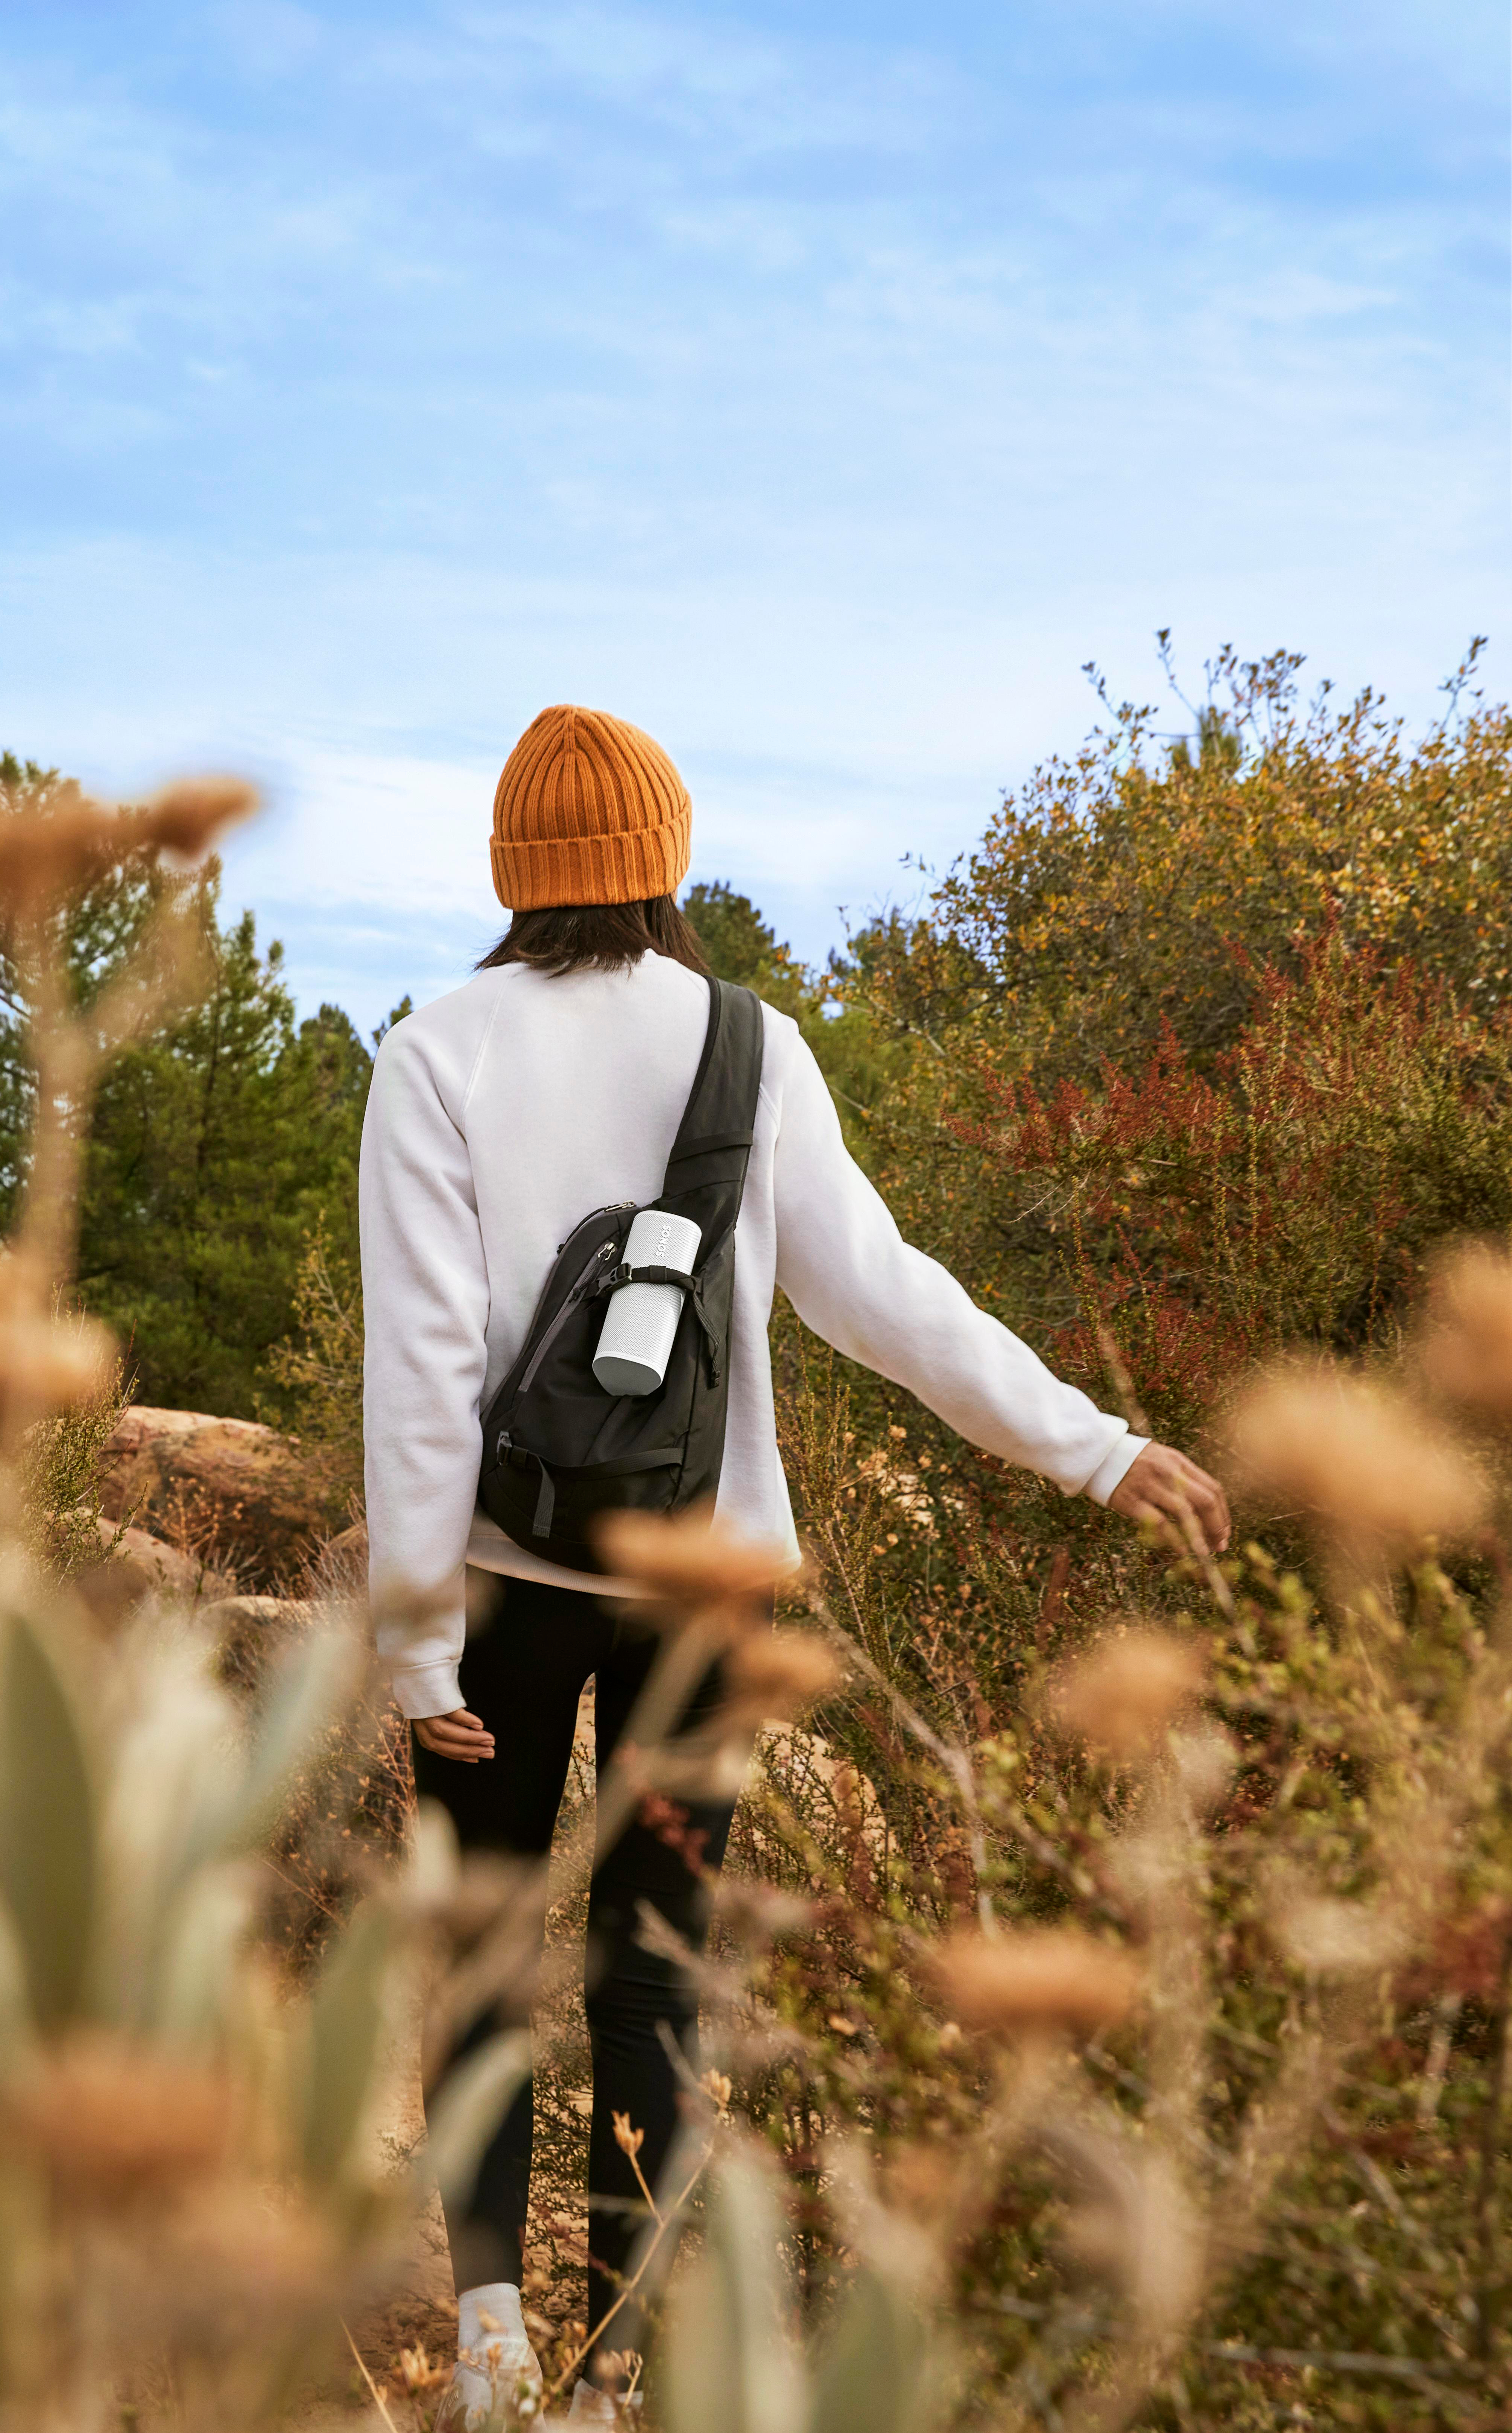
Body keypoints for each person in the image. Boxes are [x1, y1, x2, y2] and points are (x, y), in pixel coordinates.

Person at [360, 704, 1230, 2427]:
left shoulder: (433, 1049)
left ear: (511, 872)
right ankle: (613, 2370)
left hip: (500, 1583)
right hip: (706, 1600)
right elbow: (888, 1301)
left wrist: (412, 1639)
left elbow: (421, 1359)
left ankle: (481, 2352)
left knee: (476, 1954)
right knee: (654, 1962)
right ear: (663, 858)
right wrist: (1095, 1446)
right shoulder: (750, 1050)